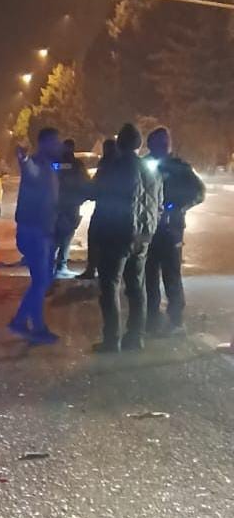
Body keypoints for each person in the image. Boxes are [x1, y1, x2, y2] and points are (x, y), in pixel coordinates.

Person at [91, 123, 162, 353]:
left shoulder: (116, 167)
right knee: (136, 287)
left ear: (119, 144)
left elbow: (97, 192)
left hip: (118, 233)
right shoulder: (151, 170)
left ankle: (112, 340)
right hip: (143, 236)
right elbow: (158, 203)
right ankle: (136, 337)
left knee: (110, 286)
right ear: (139, 144)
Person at [144, 126, 205, 335]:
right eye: (158, 143)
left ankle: (176, 321)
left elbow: (199, 192)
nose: (163, 146)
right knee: (149, 275)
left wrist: (178, 206)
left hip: (171, 229)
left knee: (171, 275)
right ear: (150, 144)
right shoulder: (144, 166)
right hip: (148, 229)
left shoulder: (180, 167)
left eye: (165, 142)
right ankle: (152, 318)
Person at [10, 127, 62, 345]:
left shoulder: (49, 165)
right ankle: (29, 324)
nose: (59, 146)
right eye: (55, 142)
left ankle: (26, 322)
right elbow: (29, 170)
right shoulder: (37, 164)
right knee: (41, 280)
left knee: (42, 280)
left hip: (42, 230)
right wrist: (23, 159)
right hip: (35, 231)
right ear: (44, 143)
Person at [77, 138, 117, 281]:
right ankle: (98, 269)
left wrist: (85, 190)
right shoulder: (117, 165)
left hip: (105, 211)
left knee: (95, 239)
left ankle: (93, 269)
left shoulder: (106, 166)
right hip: (116, 212)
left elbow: (95, 189)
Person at [54, 138, 90, 276]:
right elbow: (85, 181)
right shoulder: (76, 165)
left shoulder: (57, 164)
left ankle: (53, 264)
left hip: (59, 204)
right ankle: (60, 265)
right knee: (66, 236)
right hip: (71, 205)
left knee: (58, 236)